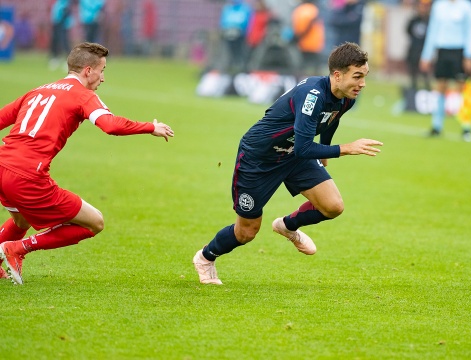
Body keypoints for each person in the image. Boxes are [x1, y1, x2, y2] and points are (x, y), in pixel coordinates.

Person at [192, 42, 382, 285]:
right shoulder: (312, 95)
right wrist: (344, 149)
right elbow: (304, 148)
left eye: (364, 76)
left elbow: (332, 120)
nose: (362, 83)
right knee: (246, 232)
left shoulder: (346, 98)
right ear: (337, 75)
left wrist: (325, 146)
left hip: (293, 155)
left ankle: (287, 226)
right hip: (259, 158)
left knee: (333, 206)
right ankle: (206, 258)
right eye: (357, 77)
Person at [0, 42, 174, 284]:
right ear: (88, 71)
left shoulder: (37, 91)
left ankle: (5, 254)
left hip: (2, 166)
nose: (103, 78)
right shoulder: (83, 95)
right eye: (102, 70)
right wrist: (150, 127)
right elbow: (110, 125)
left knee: (22, 220)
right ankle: (18, 249)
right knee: (95, 222)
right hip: (28, 175)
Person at [420, 0, 471, 141]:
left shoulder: (466, 7)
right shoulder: (439, 6)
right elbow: (432, 31)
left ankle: (466, 126)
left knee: (463, 87)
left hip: (459, 51)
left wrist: (469, 55)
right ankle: (436, 126)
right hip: (442, 50)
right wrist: (426, 55)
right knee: (440, 87)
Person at [291, 0, 325, 76]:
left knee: (303, 67)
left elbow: (300, 28)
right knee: (315, 67)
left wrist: (297, 38)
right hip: (315, 43)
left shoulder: (301, 10)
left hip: (304, 43)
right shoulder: (314, 9)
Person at [405, 0, 432, 91]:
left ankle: (427, 90)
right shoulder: (413, 20)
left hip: (424, 50)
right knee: (413, 73)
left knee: (425, 73)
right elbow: (408, 31)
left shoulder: (429, 21)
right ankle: (413, 90)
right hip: (414, 49)